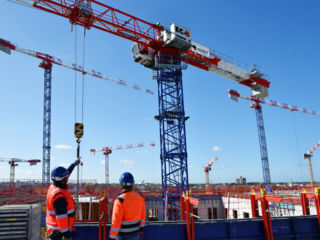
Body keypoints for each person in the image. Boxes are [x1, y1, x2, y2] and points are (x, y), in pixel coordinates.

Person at [46, 160, 80, 240]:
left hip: (55, 230)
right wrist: (66, 235)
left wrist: (73, 165)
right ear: (62, 180)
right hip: (59, 233)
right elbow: (61, 217)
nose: (67, 180)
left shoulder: (53, 188)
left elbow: (65, 174)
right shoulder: (59, 196)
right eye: (65, 179)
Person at [109, 172, 146, 240]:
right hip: (135, 234)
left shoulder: (120, 200)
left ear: (121, 184)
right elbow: (143, 216)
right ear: (132, 184)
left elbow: (116, 221)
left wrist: (112, 237)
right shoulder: (140, 198)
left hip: (122, 236)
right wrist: (141, 228)